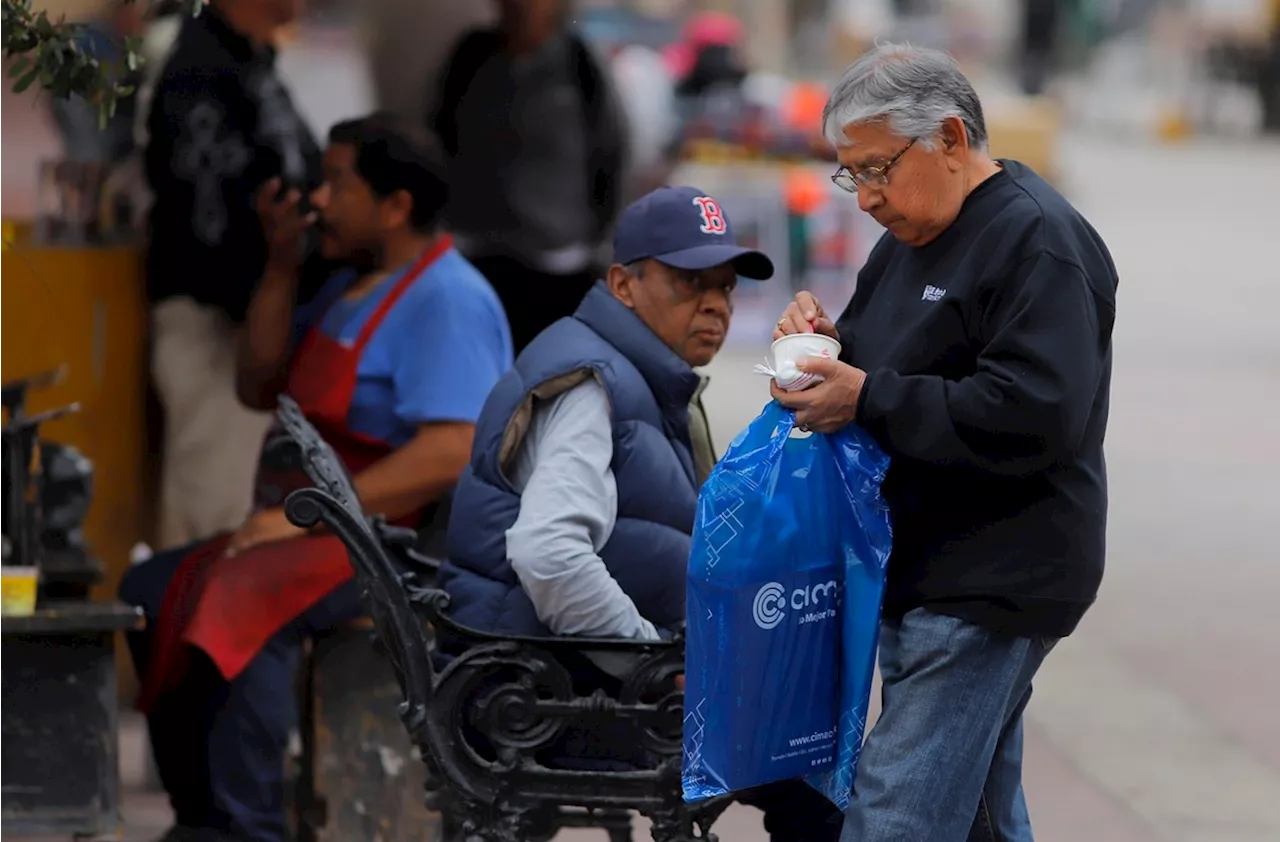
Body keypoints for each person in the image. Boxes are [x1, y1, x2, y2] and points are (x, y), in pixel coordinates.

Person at [119, 114, 513, 842]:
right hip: (305, 528)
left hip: (388, 548)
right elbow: (256, 385)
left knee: (241, 600)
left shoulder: (447, 301)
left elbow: (451, 449)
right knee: (151, 591)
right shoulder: (348, 287)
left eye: (338, 183)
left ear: (395, 206)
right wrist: (279, 264)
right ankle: (199, 815)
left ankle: (248, 826)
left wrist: (317, 512)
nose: (319, 199)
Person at [771, 45, 1116, 842]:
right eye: (850, 175)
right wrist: (825, 347)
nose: (864, 197)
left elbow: (1038, 412)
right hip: (922, 561)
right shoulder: (912, 233)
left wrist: (868, 394)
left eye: (877, 169)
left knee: (895, 814)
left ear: (951, 140)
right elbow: (878, 364)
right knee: (982, 819)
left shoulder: (1038, 241)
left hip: (992, 571)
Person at [437, 186, 844, 842]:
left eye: (725, 287)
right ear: (624, 285)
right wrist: (656, 667)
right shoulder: (591, 383)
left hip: (554, 680)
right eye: (690, 283)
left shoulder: (633, 375)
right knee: (817, 761)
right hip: (538, 697)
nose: (715, 303)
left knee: (815, 739)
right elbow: (549, 552)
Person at [145, 0, 328, 549]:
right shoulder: (200, 70)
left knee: (235, 513)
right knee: (216, 524)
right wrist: (264, 312)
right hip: (218, 328)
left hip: (257, 327)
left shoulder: (251, 63)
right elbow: (209, 224)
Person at [432, 0, 628, 354]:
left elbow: (612, 154)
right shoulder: (473, 57)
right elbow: (440, 138)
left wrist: (602, 245)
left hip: (558, 264)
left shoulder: (578, 63)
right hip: (478, 253)